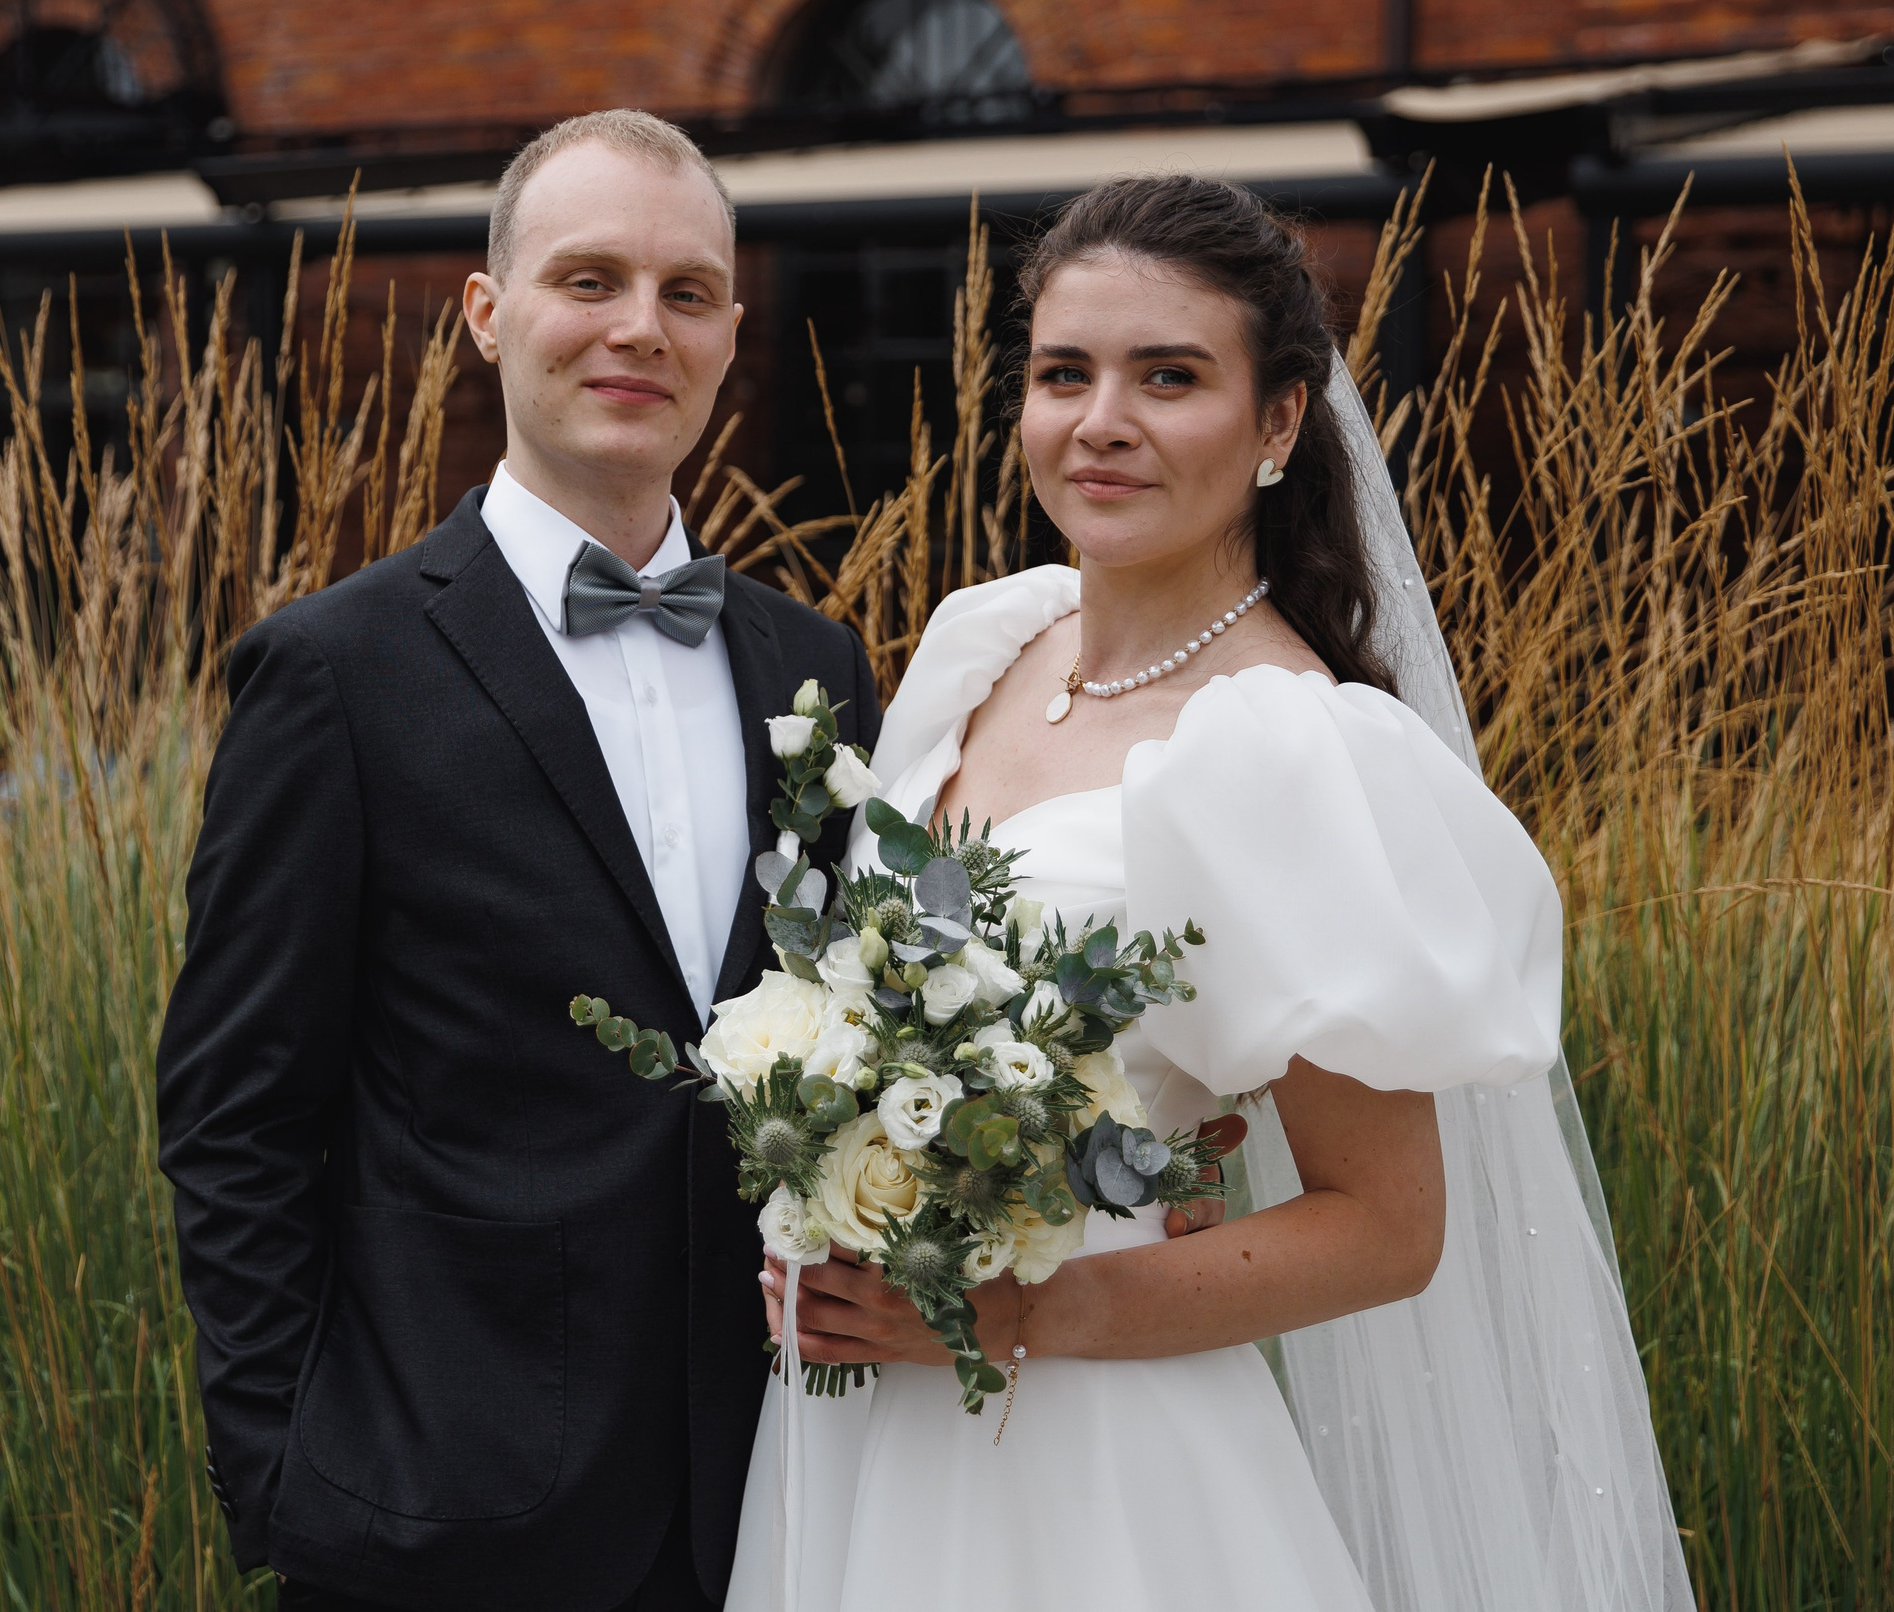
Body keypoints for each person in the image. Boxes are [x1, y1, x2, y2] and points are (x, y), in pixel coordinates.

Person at [729, 176, 1692, 1610]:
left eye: (1168, 377)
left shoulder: (1290, 746)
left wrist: (1024, 1309)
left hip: (1099, 1458)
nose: (1101, 421)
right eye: (1066, 374)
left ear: (1280, 422)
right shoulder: (987, 643)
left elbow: (1385, 1224)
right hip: (855, 1437)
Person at [154, 111, 882, 1611]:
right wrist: (285, 1474)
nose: (639, 328)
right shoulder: (333, 674)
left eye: (686, 294)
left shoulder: (816, 668)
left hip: (778, 1503)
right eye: (589, 280)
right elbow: (235, 1114)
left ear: (733, 333)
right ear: (488, 316)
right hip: (437, 1519)